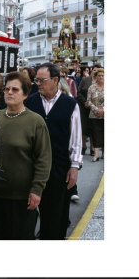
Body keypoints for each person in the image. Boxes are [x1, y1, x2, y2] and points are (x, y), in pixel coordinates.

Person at [0, 71, 52, 240]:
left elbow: (43, 159)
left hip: (22, 199)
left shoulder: (35, 121)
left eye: (15, 89)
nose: (10, 92)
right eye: (7, 89)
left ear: (25, 94)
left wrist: (37, 190)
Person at [25, 62, 82, 240]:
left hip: (58, 167)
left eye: (42, 80)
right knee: (29, 211)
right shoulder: (31, 101)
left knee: (55, 214)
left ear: (55, 80)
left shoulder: (70, 104)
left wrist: (74, 167)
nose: (38, 84)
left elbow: (76, 138)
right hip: (31, 167)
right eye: (36, 80)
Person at [87, 68, 104, 161]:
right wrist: (97, 110)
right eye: (99, 75)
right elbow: (88, 101)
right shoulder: (91, 87)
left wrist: (104, 110)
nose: (101, 77)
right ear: (96, 77)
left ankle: (104, 154)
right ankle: (96, 154)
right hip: (94, 114)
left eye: (102, 75)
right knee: (96, 134)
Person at [77, 67, 95, 155]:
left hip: (95, 108)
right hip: (84, 107)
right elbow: (78, 91)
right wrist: (84, 102)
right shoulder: (85, 80)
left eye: (97, 70)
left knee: (93, 128)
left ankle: (92, 147)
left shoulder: (101, 81)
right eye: (94, 70)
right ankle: (83, 146)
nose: (95, 72)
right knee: (83, 127)